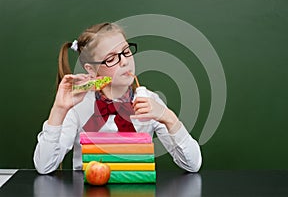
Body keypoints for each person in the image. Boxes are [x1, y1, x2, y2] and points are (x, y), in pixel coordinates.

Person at [33, 22, 202, 174]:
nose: (124, 62)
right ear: (91, 70)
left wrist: (168, 118)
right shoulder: (78, 105)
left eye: (126, 52)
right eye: (111, 58)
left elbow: (192, 165)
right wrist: (59, 110)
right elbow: (44, 166)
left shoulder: (149, 103)